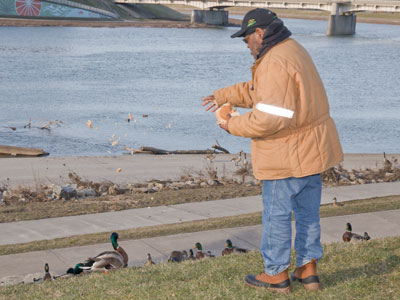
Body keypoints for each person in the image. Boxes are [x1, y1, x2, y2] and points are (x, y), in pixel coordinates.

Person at [202, 8, 343, 294]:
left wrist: (230, 124)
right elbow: (262, 92)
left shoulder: (273, 62)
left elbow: (269, 118)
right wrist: (223, 96)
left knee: (276, 215)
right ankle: (308, 268)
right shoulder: (293, 50)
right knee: (307, 214)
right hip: (312, 151)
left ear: (260, 33)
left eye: (246, 38)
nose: (245, 44)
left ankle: (276, 273)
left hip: (286, 154)